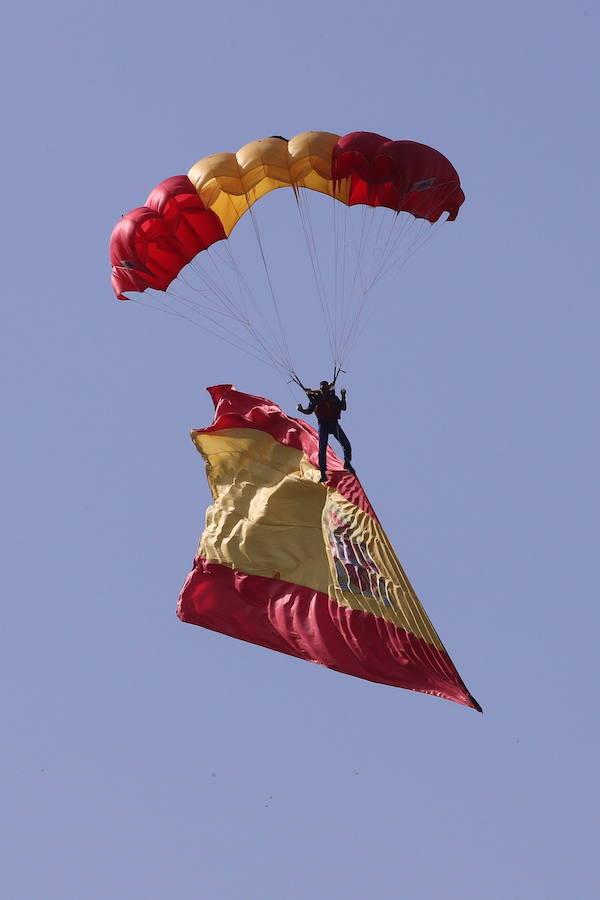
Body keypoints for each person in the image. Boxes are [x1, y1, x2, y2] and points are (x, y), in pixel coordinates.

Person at [297, 380, 355, 482]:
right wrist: (301, 410)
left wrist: (343, 396)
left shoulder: (333, 398)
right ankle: (323, 472)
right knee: (322, 449)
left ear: (328, 389)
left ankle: (347, 462)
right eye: (322, 389)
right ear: (320, 389)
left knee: (346, 444)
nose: (324, 391)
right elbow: (309, 410)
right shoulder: (316, 399)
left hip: (333, 424)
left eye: (326, 389)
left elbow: (343, 407)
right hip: (323, 425)